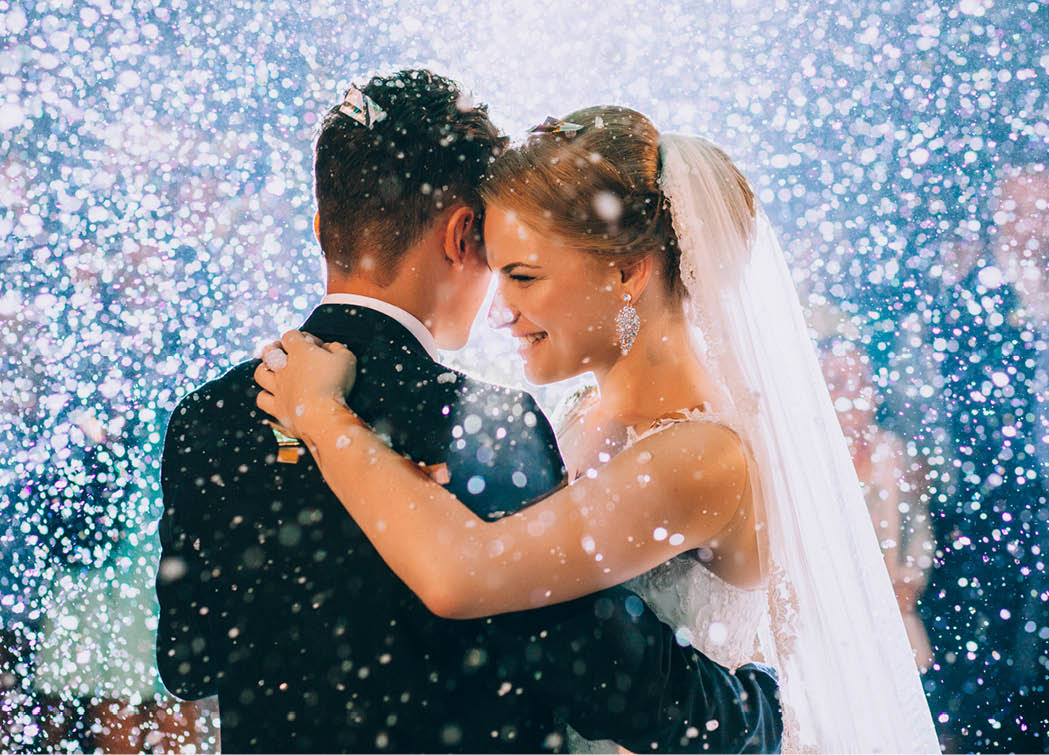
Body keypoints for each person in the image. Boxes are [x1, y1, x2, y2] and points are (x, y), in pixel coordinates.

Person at [257, 105, 942, 752]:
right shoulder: (578, 415)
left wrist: (321, 416)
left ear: (626, 270)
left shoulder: (702, 455)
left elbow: (464, 576)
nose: (501, 311)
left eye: (523, 277)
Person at [157, 70, 781, 753]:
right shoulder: (486, 424)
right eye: (499, 263)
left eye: (525, 272)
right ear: (463, 236)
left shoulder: (209, 414)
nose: (502, 307)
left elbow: (190, 662)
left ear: (319, 225)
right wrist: (762, 706)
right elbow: (596, 672)